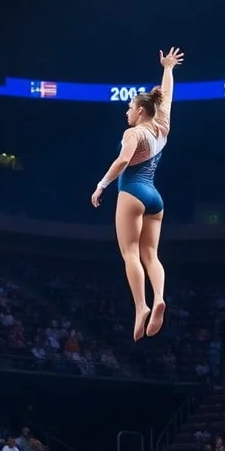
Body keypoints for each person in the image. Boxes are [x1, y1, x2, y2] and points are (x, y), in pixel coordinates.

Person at [92, 47, 184, 341]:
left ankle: (142, 306)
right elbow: (166, 97)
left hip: (132, 191)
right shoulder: (162, 126)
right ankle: (159, 297)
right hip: (155, 197)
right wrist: (168, 69)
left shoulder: (133, 133)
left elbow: (122, 161)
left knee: (130, 252)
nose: (127, 112)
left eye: (130, 107)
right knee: (151, 254)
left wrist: (102, 185)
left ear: (141, 110)